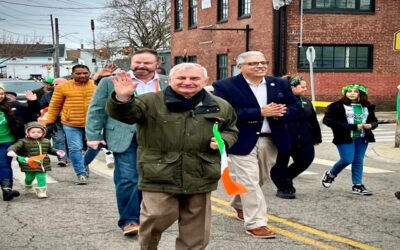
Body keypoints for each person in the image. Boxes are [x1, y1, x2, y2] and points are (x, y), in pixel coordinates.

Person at [106, 63, 238, 249]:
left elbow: (231, 130)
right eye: (181, 78)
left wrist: (223, 140)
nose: (187, 82)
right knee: (155, 217)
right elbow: (125, 115)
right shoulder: (149, 102)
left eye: (194, 78)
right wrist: (122, 97)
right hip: (159, 172)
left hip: (200, 172)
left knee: (196, 230)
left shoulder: (220, 105)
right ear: (170, 80)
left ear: (205, 81)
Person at [213, 51, 300, 238]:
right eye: (253, 63)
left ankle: (238, 203)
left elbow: (296, 107)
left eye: (263, 62)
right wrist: (259, 112)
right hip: (241, 139)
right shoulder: (224, 86)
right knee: (249, 181)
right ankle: (256, 223)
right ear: (240, 67)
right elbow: (224, 112)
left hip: (271, 139)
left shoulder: (281, 84)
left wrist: (281, 112)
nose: (260, 66)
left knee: (259, 178)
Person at [86, 48, 169, 236]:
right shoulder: (110, 81)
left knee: (152, 179)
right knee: (128, 178)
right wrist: (93, 135)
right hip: (125, 137)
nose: (141, 66)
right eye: (137, 62)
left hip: (158, 137)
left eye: (147, 63)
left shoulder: (168, 82)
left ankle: (147, 216)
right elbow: (97, 108)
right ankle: (130, 220)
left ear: (157, 64)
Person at [270, 76, 322, 199]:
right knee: (281, 162)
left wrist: (317, 137)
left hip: (304, 137)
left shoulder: (306, 101)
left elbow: (313, 120)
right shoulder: (278, 100)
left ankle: (286, 177)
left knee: (306, 159)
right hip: (284, 137)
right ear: (291, 87)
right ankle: (283, 187)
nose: (305, 89)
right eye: (302, 87)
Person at [322, 83, 378, 195]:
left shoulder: (367, 106)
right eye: (349, 91)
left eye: (355, 91)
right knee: (347, 159)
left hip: (362, 137)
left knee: (358, 160)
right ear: (345, 93)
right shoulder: (337, 105)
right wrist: (352, 126)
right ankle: (331, 174)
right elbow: (327, 120)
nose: (352, 93)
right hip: (344, 137)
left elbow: (374, 121)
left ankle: (357, 185)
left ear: (361, 94)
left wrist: (371, 125)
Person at [45, 64, 97, 185]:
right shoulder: (63, 87)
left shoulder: (96, 85)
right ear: (72, 74)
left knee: (95, 146)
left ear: (89, 73)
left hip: (93, 122)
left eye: (85, 73)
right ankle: (81, 173)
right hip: (71, 123)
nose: (82, 75)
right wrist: (50, 122)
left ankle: (84, 162)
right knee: (75, 148)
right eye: (78, 73)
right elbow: (54, 106)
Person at [0, 86, 40, 201]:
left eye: (2, 93)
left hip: (7, 141)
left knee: (3, 164)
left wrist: (33, 102)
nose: (1, 96)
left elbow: (31, 113)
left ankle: (7, 190)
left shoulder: (13, 105)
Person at [7, 122, 65, 199]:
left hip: (42, 164)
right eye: (33, 132)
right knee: (29, 177)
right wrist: (11, 151)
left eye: (39, 132)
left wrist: (57, 152)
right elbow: (15, 146)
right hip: (29, 164)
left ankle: (41, 191)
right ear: (27, 132)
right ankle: (28, 185)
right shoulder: (23, 141)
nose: (36, 134)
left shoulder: (46, 141)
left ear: (43, 133)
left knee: (41, 177)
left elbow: (50, 150)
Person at [40, 78, 70, 167]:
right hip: (55, 122)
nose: (56, 86)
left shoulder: (72, 94)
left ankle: (72, 157)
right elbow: (42, 107)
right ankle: (62, 159)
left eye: (59, 84)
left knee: (70, 140)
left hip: (71, 121)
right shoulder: (47, 95)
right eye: (55, 84)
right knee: (58, 140)